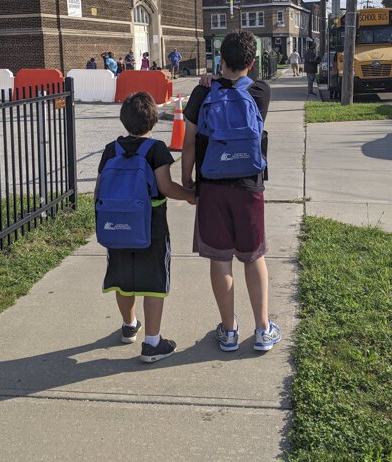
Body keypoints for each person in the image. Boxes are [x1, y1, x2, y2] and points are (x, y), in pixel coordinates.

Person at [182, 31, 281, 354]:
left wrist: (187, 181)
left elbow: (188, 142)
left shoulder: (201, 94)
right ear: (252, 63)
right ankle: (263, 329)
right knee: (253, 257)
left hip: (211, 184)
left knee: (220, 259)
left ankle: (228, 331)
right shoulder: (260, 92)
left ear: (220, 59)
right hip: (249, 184)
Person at [95, 92, 195, 362]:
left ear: (124, 120)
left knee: (123, 280)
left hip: (116, 226)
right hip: (150, 227)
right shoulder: (156, 150)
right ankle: (152, 343)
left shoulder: (110, 150)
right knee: (153, 282)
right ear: (152, 121)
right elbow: (165, 188)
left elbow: (98, 190)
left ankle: (129, 326)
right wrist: (189, 195)